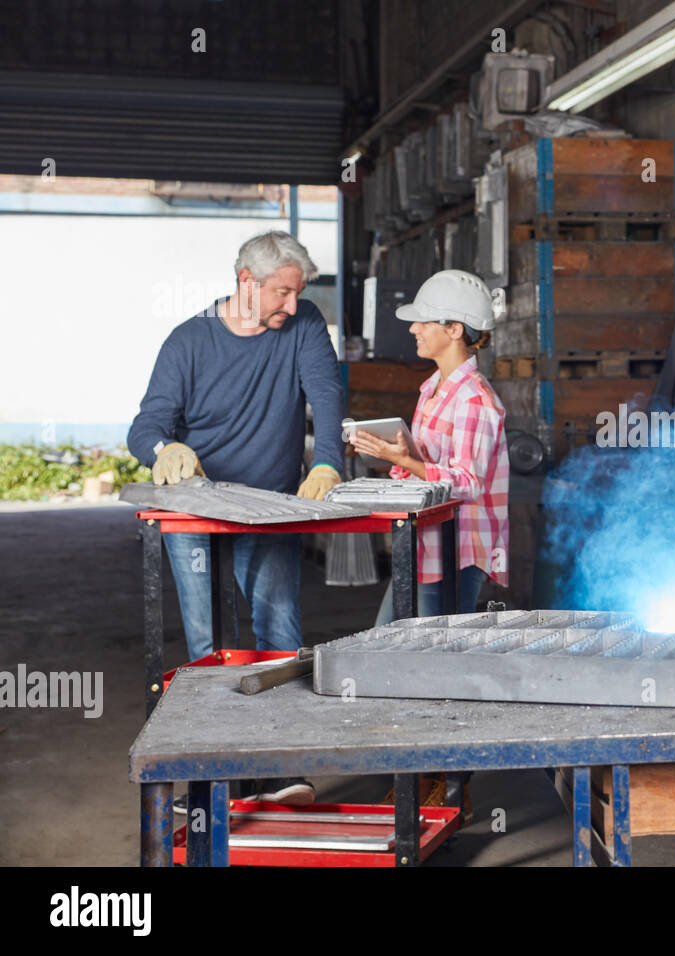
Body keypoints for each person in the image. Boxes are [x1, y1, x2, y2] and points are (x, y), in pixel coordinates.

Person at [128, 230, 344, 807]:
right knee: (208, 644)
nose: (293, 305)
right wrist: (162, 451)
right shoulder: (187, 342)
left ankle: (277, 770)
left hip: (269, 510)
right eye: (282, 293)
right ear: (246, 282)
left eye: (298, 294)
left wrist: (326, 463)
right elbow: (145, 426)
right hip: (197, 513)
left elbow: (325, 395)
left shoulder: (302, 327)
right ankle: (210, 775)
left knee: (280, 637)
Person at [350, 269, 509, 623]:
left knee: (434, 652)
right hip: (426, 542)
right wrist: (391, 454)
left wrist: (404, 458)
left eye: (423, 322)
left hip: (459, 546)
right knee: (389, 638)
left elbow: (467, 483)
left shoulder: (474, 399)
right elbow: (424, 465)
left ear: (454, 329)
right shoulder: (432, 389)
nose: (413, 329)